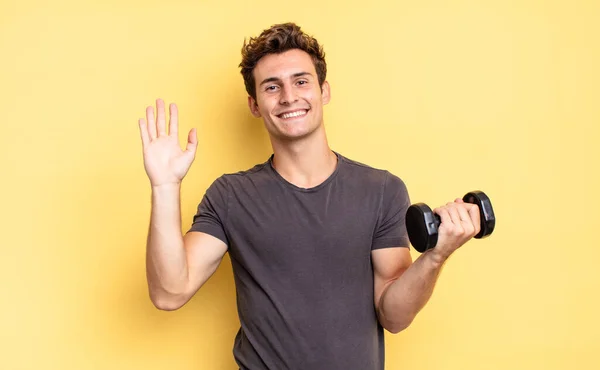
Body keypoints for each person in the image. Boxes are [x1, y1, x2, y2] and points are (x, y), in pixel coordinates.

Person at [138, 22, 481, 370]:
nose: (289, 97)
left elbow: (394, 316)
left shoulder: (381, 190)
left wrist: (435, 257)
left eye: (301, 81)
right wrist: (165, 187)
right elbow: (169, 292)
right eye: (272, 87)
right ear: (254, 104)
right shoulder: (230, 196)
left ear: (324, 90)